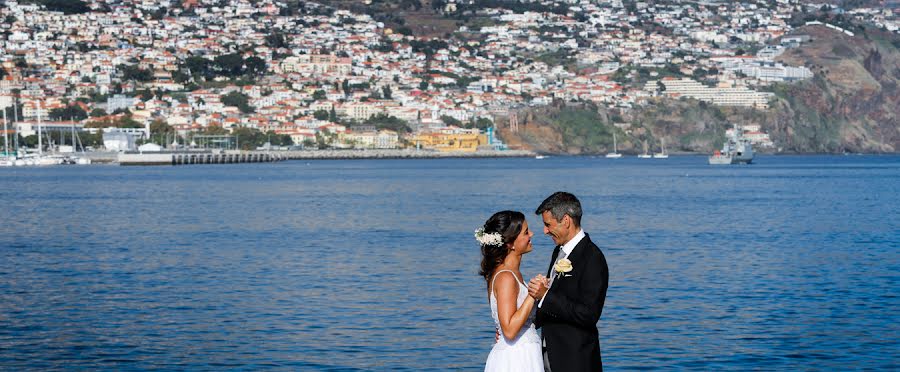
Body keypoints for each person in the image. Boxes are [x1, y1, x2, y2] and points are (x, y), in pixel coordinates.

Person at [527, 192, 609, 372]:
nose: (545, 231)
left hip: (576, 360)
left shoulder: (593, 258)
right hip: (549, 357)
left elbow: (588, 315)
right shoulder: (558, 252)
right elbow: (554, 306)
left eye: (548, 225)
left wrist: (546, 296)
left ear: (566, 220)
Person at [479, 211, 544, 372]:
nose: (532, 234)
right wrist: (532, 294)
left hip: (524, 352)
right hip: (516, 358)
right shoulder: (506, 277)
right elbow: (509, 330)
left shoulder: (512, 274)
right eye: (526, 232)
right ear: (510, 243)